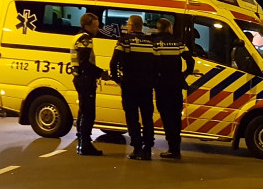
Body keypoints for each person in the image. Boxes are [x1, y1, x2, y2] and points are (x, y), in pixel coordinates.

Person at [110, 15, 157, 160]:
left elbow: (113, 63)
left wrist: (118, 80)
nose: (127, 26)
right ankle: (147, 149)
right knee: (147, 118)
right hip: (146, 86)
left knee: (132, 118)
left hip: (129, 85)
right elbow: (157, 64)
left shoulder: (124, 41)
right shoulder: (151, 42)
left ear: (132, 26)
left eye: (128, 24)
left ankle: (137, 148)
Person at [153, 18, 194, 159]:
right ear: (169, 28)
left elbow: (152, 63)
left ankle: (171, 147)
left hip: (161, 85)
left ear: (158, 29)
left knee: (166, 116)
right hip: (176, 85)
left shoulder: (155, 44)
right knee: (176, 117)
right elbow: (190, 60)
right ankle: (176, 148)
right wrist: (184, 74)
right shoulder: (178, 43)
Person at [70, 13, 109, 156]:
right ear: (86, 26)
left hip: (80, 78)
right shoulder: (86, 39)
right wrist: (101, 73)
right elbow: (85, 64)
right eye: (95, 26)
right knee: (88, 113)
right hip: (86, 79)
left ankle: (81, 141)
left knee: (83, 111)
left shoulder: (77, 37)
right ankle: (85, 144)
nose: (97, 29)